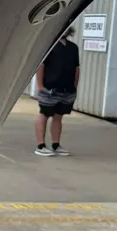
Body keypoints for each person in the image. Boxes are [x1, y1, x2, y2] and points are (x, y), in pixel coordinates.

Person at [35, 26, 80, 156]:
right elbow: (41, 66)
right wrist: (40, 86)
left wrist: (75, 87)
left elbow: (77, 68)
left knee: (58, 116)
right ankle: (40, 145)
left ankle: (56, 145)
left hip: (67, 89)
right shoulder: (49, 45)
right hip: (49, 88)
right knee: (44, 114)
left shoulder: (73, 47)